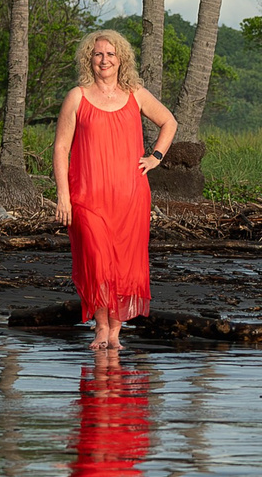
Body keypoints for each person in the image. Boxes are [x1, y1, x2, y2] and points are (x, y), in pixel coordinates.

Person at [53, 27, 176, 350]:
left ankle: (115, 333)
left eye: (110, 54)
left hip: (131, 197)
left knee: (124, 264)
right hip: (87, 197)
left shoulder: (136, 94)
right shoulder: (77, 96)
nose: (104, 60)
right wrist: (63, 196)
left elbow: (169, 122)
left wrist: (155, 157)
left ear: (121, 59)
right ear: (88, 60)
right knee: (96, 261)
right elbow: (61, 148)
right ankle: (100, 326)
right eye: (97, 54)